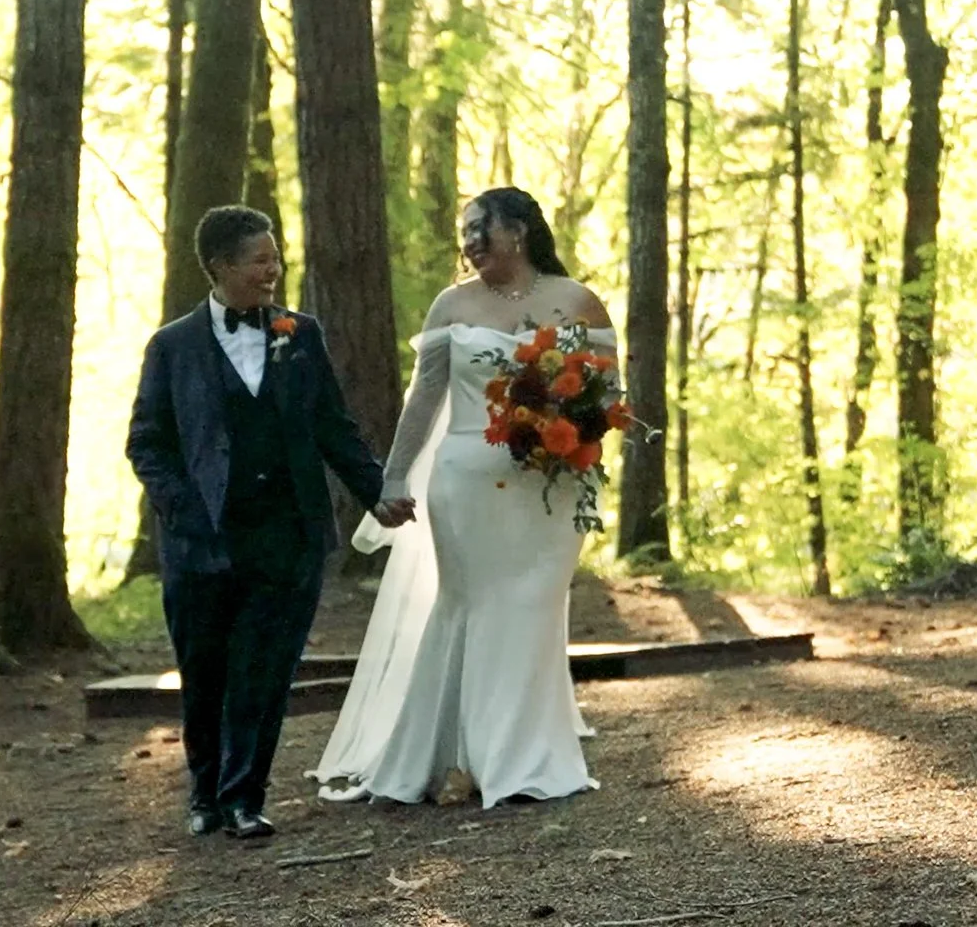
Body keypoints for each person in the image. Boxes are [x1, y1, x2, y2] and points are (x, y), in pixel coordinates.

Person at [311, 186, 613, 808]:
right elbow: (423, 399)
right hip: (466, 479)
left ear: (519, 230)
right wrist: (391, 480)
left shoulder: (577, 301)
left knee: (531, 607)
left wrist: (571, 435)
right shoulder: (451, 305)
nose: (470, 241)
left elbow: (607, 399)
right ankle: (457, 757)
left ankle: (519, 756)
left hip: (551, 487)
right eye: (465, 232)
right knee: (471, 605)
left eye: (481, 228)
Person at [126, 205, 415, 840]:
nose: (273, 269)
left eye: (276, 257)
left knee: (266, 669)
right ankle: (204, 794)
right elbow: (147, 443)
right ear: (221, 266)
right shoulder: (172, 346)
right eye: (260, 259)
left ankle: (244, 798)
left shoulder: (299, 333)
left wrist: (377, 493)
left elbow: (333, 427)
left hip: (288, 535)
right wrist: (183, 509)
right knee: (206, 672)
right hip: (202, 543)